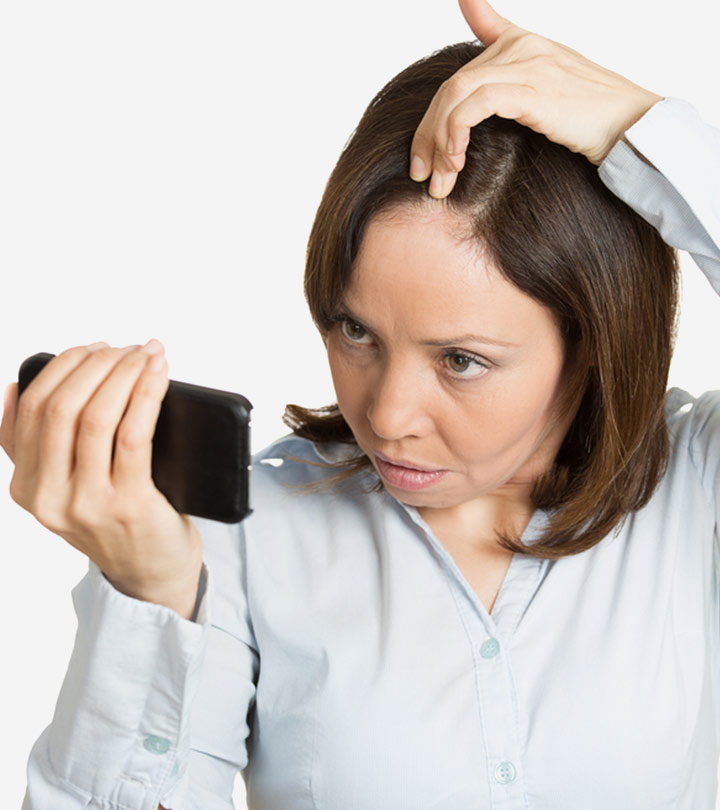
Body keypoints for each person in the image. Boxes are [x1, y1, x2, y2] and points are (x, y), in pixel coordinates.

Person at [2, 0, 719, 807]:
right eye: (356, 330)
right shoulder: (240, 541)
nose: (386, 416)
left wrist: (641, 131)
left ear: (591, 343)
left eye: (460, 360)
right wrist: (151, 596)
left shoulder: (695, 490)